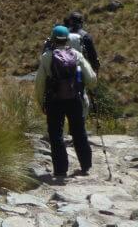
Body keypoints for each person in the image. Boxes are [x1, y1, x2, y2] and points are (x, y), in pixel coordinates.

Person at [35, 24, 97, 181]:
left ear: (53, 39)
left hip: (54, 101)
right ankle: (85, 165)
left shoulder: (46, 57)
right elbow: (91, 78)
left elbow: (39, 83)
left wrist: (41, 102)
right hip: (74, 99)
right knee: (79, 132)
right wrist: (86, 87)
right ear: (67, 39)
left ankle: (61, 170)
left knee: (56, 135)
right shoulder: (76, 54)